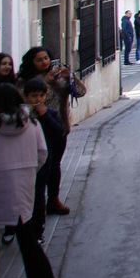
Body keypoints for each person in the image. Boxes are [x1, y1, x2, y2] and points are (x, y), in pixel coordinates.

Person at [0, 83, 56, 278]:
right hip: (24, 184)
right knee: (26, 237)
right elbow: (42, 154)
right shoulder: (32, 124)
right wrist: (28, 172)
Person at [18, 48, 82, 217]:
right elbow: (22, 98)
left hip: (58, 127)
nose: (44, 62)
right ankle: (34, 203)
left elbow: (81, 92)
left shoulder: (59, 77)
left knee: (55, 165)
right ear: (32, 62)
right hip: (34, 128)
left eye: (46, 58)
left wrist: (71, 76)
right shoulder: (26, 80)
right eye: (39, 59)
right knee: (40, 166)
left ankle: (53, 199)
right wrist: (45, 81)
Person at [19, 77, 61, 242]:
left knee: (38, 194)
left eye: (40, 96)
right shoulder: (20, 115)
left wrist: (44, 116)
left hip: (43, 159)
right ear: (25, 97)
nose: (37, 100)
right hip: (24, 159)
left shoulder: (49, 113)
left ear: (45, 96)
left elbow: (58, 132)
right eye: (33, 96)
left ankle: (37, 229)